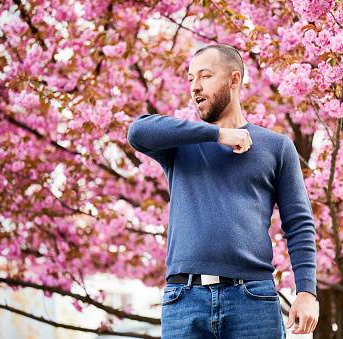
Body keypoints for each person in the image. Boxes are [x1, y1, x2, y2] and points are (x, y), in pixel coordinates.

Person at [127, 44, 318, 338]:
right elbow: (138, 132)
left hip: (253, 300)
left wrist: (306, 291)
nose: (195, 86)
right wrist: (216, 133)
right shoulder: (181, 144)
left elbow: (299, 224)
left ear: (234, 80)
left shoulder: (277, 147)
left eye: (204, 76)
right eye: (190, 79)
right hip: (184, 299)